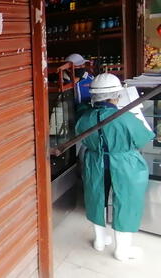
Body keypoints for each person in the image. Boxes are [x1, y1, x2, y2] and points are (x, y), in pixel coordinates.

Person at [75, 73, 154, 261]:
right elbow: (144, 138)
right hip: (124, 164)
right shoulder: (126, 117)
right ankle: (122, 250)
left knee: (96, 198)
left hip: (95, 162)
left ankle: (100, 242)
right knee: (127, 202)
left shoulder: (84, 118)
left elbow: (81, 136)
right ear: (116, 95)